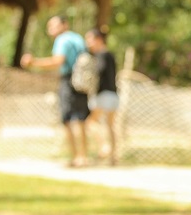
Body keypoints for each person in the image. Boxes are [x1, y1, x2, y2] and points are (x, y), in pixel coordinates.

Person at [20, 15, 90, 168]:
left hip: (69, 81)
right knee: (81, 119)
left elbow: (58, 61)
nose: (50, 30)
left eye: (53, 26)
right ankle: (83, 156)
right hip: (83, 82)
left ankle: (76, 157)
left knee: (68, 119)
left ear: (64, 25)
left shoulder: (62, 40)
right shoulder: (78, 38)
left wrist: (34, 62)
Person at [84, 27, 119, 166]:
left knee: (90, 122)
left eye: (89, 39)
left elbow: (98, 72)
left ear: (98, 39)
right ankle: (114, 156)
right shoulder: (110, 54)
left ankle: (104, 146)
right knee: (111, 126)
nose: (87, 43)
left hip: (103, 94)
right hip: (113, 94)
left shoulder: (101, 55)